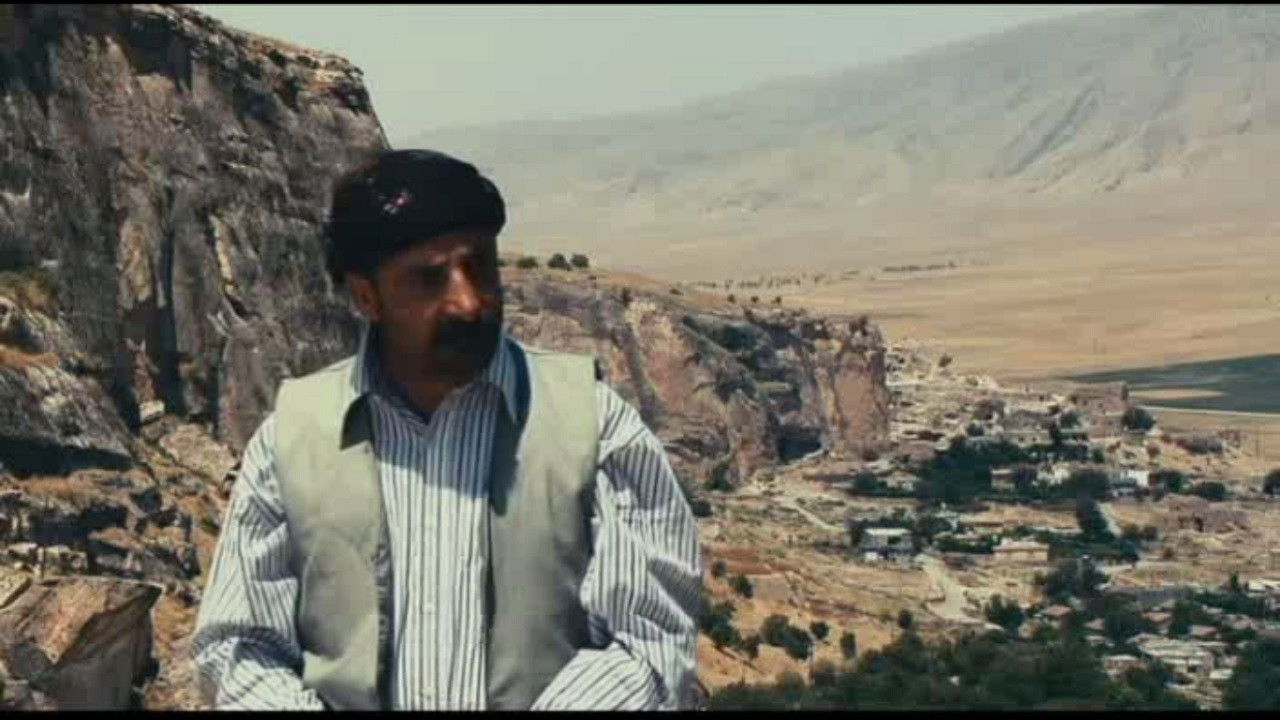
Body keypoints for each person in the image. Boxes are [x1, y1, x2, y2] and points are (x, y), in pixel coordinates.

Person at [191, 149, 702, 710]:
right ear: (367, 297)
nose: (468, 301)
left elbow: (649, 644)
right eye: (430, 279)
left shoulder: (596, 427)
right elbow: (237, 648)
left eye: (479, 266)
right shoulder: (292, 439)